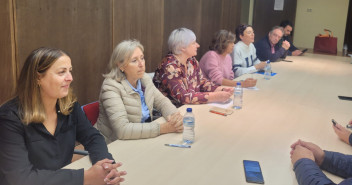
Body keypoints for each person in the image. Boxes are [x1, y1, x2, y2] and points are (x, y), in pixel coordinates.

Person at [0, 47, 126, 185]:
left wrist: (105, 165)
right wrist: (85, 177)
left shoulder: (69, 105)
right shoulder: (9, 117)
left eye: (70, 71)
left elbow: (92, 136)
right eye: (62, 72)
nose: (70, 78)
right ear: (37, 78)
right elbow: (20, 178)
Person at [96, 40, 183, 142]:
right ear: (121, 66)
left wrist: (175, 117)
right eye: (134, 60)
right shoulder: (111, 86)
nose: (141, 64)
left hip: (141, 137)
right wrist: (162, 128)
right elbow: (122, 130)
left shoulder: (144, 79)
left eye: (142, 58)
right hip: (114, 143)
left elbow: (162, 102)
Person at [153, 28, 234, 107]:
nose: (198, 45)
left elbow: (201, 82)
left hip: (190, 107)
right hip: (172, 112)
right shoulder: (169, 66)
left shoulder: (192, 60)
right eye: (193, 43)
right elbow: (183, 97)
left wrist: (220, 89)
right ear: (182, 47)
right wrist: (215, 96)